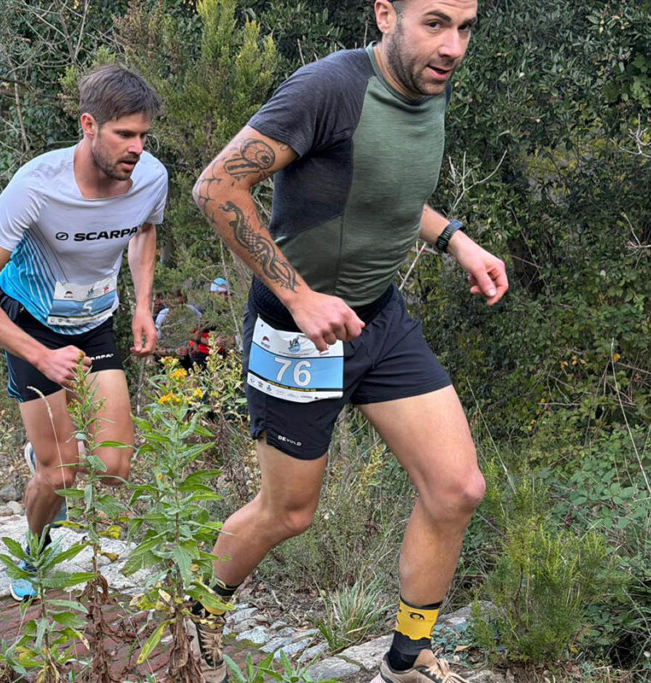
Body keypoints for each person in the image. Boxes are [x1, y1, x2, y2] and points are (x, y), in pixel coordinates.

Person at [191, 1, 508, 681]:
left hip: (378, 318)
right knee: (289, 512)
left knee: (456, 488)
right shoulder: (329, 87)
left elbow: (381, 187)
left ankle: (406, 657)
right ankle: (200, 614)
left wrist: (456, 240)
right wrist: (299, 296)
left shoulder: (428, 84)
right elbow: (216, 185)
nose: (453, 46)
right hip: (295, 329)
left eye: (466, 28)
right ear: (385, 14)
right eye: (435, 23)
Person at [0, 64, 166, 602]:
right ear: (89, 126)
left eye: (143, 135)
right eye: (124, 134)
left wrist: (141, 304)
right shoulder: (36, 186)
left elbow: (143, 229)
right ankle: (35, 548)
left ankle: (43, 461)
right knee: (61, 472)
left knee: (114, 465)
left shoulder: (151, 176)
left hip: (94, 323)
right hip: (32, 325)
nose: (136, 148)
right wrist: (40, 357)